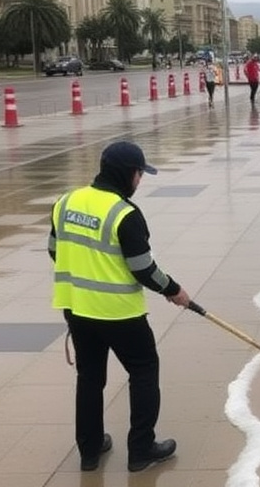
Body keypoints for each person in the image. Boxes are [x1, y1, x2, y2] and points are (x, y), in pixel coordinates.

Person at [49, 141, 188, 473]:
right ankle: (141, 450)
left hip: (77, 309)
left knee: (90, 377)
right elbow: (143, 268)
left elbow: (55, 250)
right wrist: (173, 290)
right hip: (120, 313)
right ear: (129, 174)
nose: (140, 181)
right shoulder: (124, 213)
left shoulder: (65, 202)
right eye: (140, 174)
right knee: (144, 370)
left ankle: (90, 450)